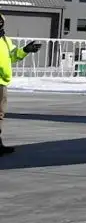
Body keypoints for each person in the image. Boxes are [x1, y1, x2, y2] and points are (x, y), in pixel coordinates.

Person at [0, 13, 41, 156]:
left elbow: (13, 55)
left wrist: (25, 50)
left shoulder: (4, 40)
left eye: (1, 20)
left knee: (0, 114)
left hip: (2, 82)